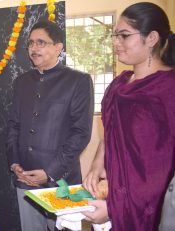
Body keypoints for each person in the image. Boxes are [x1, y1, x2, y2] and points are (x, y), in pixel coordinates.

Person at [82, 2, 175, 230]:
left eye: (124, 36)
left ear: (151, 38)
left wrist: (115, 207)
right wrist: (97, 163)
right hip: (116, 193)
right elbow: (111, 131)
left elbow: (160, 169)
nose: (116, 42)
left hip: (148, 207)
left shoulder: (167, 90)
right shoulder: (119, 84)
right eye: (115, 35)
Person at [6, 19, 94, 231]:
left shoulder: (78, 81)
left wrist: (50, 172)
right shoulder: (21, 82)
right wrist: (15, 163)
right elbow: (13, 126)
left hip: (62, 181)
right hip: (25, 179)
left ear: (58, 47)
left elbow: (80, 133)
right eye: (30, 43)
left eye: (41, 42)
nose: (34, 48)